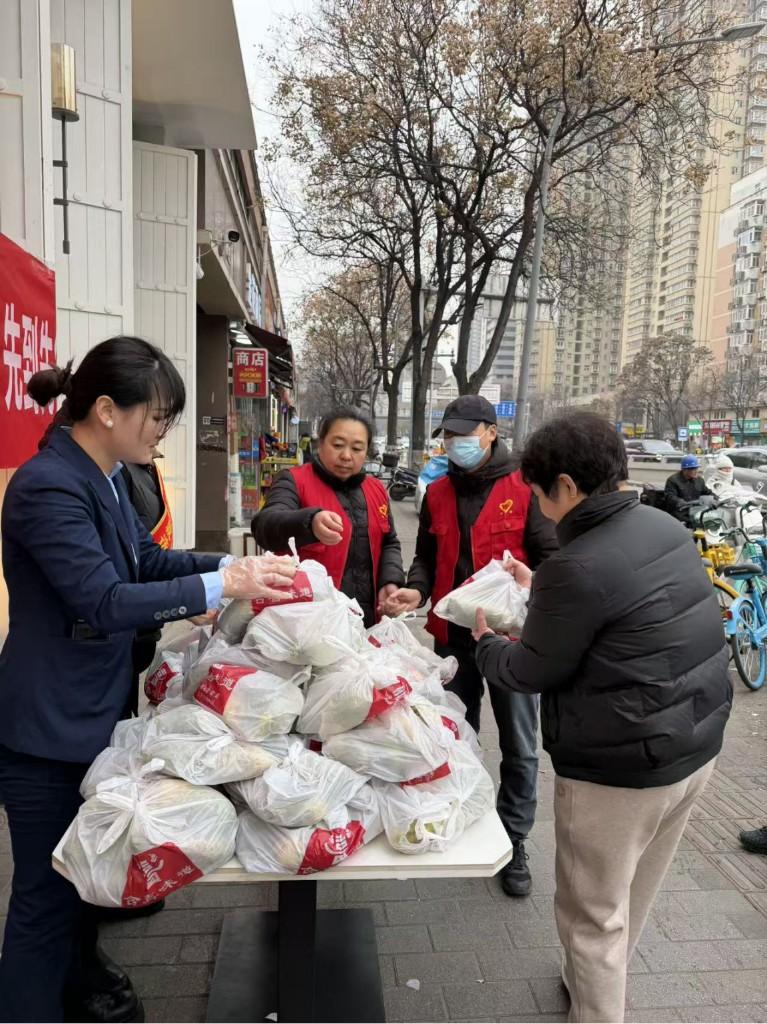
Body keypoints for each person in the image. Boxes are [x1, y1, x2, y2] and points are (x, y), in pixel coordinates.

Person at [0, 336, 298, 1024]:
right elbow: (104, 600)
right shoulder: (48, 485)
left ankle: (77, 991)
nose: (162, 430)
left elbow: (147, 560)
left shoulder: (104, 475)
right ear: (107, 409)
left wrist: (233, 568)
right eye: (157, 416)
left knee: (79, 882)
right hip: (47, 726)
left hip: (90, 713)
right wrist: (223, 584)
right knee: (44, 901)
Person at [472, 411, 731, 1024]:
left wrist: (485, 644)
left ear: (565, 485)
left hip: (620, 770)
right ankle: (589, 984)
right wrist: (543, 585)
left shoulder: (577, 564)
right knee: (631, 895)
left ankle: (595, 1005)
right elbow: (620, 605)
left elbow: (530, 670)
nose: (538, 508)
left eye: (539, 494)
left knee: (591, 918)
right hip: (694, 747)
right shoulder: (660, 525)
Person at [382, 395, 558, 898]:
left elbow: (551, 560)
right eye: (449, 434)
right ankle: (464, 816)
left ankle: (514, 838)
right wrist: (416, 590)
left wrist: (528, 593)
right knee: (456, 734)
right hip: (453, 638)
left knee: (520, 744)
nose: (455, 442)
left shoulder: (524, 487)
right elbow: (426, 555)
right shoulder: (437, 490)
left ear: (490, 432)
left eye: (465, 432)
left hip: (512, 642)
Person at [251, 406, 405, 626]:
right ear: (321, 443)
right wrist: (310, 522)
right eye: (338, 445)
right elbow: (264, 526)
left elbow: (389, 542)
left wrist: (390, 581)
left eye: (357, 448)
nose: (346, 456)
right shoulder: (294, 480)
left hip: (366, 621)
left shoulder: (376, 489)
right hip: (307, 623)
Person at [120, 450, 174, 717]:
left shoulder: (147, 465)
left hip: (146, 616)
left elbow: (150, 553)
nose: (160, 432)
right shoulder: (118, 469)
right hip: (128, 616)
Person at [664, 454, 714, 519]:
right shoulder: (673, 480)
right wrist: (681, 502)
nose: (696, 471)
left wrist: (715, 499)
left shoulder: (699, 480)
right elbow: (670, 497)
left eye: (696, 468)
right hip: (679, 513)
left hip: (695, 512)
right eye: (693, 469)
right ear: (685, 470)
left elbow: (707, 492)